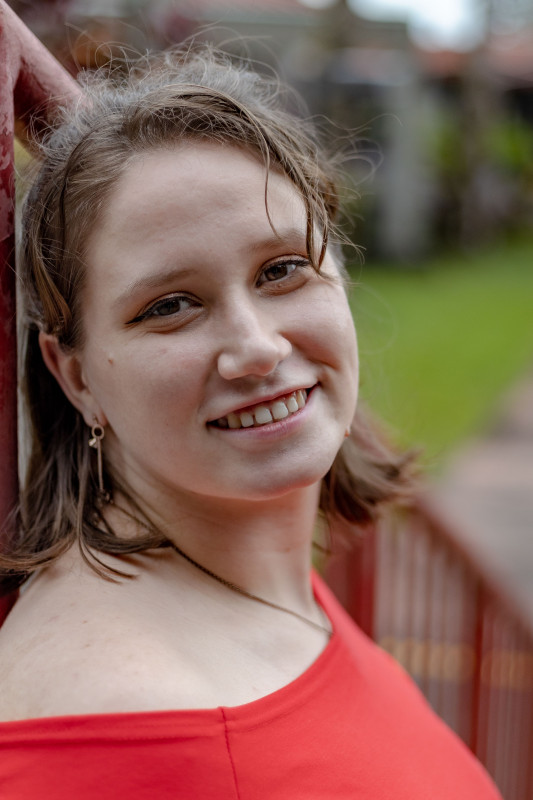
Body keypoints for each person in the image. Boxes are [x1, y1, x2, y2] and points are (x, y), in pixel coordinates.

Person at [0, 45, 501, 799]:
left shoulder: (247, 562)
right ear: (75, 375)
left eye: (281, 270)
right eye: (169, 306)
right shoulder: (116, 722)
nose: (256, 349)